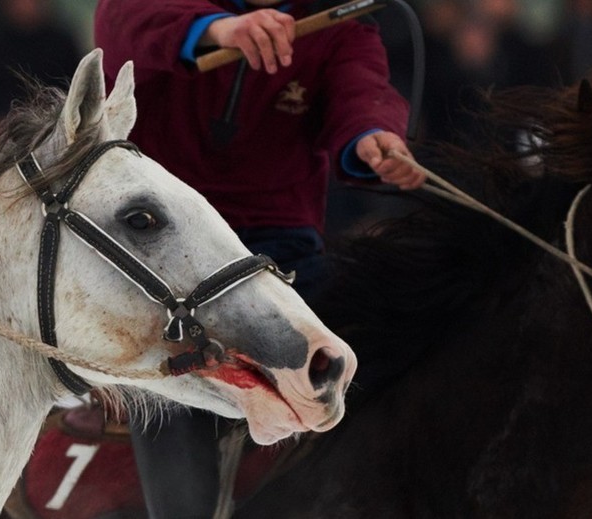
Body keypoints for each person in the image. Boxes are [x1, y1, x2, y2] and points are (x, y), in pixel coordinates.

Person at [94, 0, 424, 516]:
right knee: (171, 368)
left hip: (280, 246)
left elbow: (363, 94)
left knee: (369, 353)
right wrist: (220, 29)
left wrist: (374, 137)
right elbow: (120, 19)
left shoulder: (340, 24)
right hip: (161, 242)